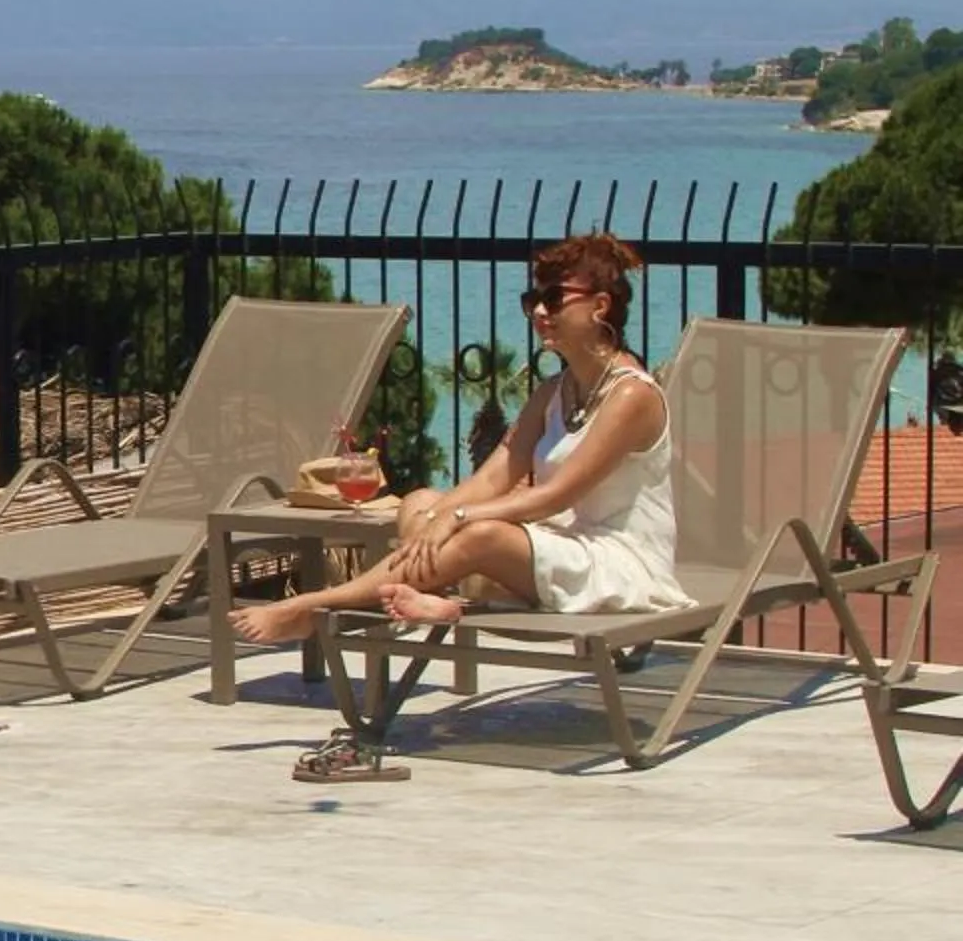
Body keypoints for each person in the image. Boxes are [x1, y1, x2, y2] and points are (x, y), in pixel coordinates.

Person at [230, 227, 689, 653]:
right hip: (563, 545)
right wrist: (437, 515)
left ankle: (315, 606)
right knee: (419, 503)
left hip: (618, 566)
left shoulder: (631, 396)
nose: (539, 312)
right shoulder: (554, 391)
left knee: (479, 533)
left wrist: (458, 516)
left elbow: (555, 497)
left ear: (600, 307)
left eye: (554, 299)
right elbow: (493, 477)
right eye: (533, 299)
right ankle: (443, 601)